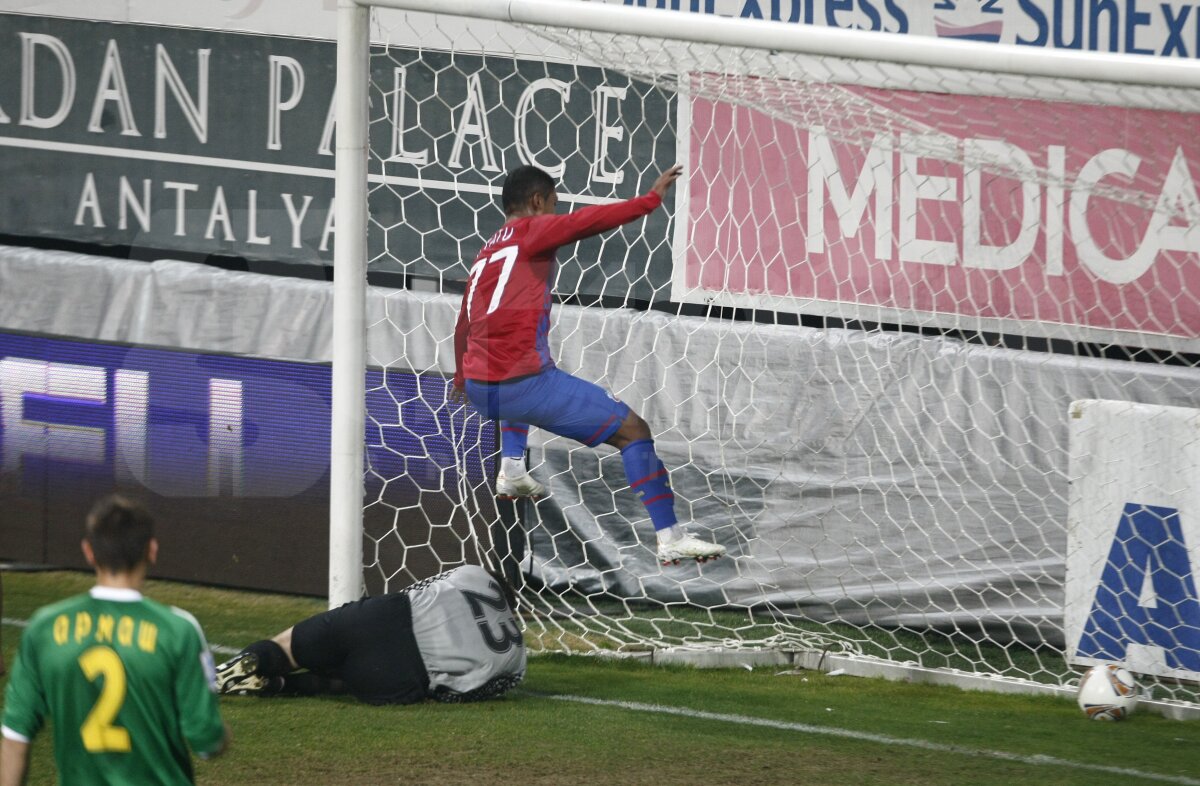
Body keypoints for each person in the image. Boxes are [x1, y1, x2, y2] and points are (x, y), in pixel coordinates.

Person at [451, 164, 725, 565]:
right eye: (554, 205)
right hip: (522, 386)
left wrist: (460, 375)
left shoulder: (487, 251)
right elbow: (587, 221)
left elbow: (464, 319)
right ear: (537, 202)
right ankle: (671, 537)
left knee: (522, 378)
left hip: (480, 388)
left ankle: (511, 465)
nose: (556, 214)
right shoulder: (533, 231)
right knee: (633, 431)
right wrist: (649, 201)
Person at [0, 495, 228, 786]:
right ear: (152, 550)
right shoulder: (178, 630)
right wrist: (223, 736)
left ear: (89, 552)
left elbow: (15, 737)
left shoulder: (44, 628)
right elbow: (207, 741)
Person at [215, 564, 524, 705]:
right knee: (344, 683)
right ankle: (280, 685)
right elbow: (461, 695)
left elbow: (415, 590)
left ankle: (242, 666)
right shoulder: (516, 663)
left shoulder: (474, 573)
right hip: (403, 675)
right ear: (509, 612)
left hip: (384, 617)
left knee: (286, 648)